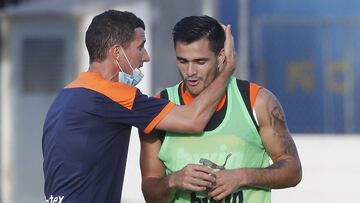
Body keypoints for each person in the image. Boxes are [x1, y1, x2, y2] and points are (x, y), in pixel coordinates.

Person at [42, 10, 236, 203]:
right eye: (140, 47)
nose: (146, 57)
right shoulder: (112, 94)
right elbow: (194, 120)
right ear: (117, 53)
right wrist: (227, 69)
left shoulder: (65, 96)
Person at [140, 15, 302, 203]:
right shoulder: (160, 107)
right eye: (183, 61)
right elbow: (150, 194)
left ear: (221, 57)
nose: (190, 72)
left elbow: (293, 171)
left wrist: (242, 176)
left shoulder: (256, 101)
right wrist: (173, 181)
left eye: (200, 62)